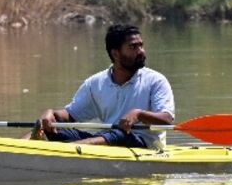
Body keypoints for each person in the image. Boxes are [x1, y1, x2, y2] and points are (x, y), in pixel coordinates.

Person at [30, 24, 174, 149]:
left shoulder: (156, 81)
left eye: (141, 45)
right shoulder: (95, 83)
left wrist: (139, 114)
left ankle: (69, 149)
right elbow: (70, 115)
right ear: (115, 54)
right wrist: (50, 115)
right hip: (106, 140)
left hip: (145, 145)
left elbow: (167, 119)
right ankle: (23, 148)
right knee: (50, 128)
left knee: (119, 134)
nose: (141, 51)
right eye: (133, 47)